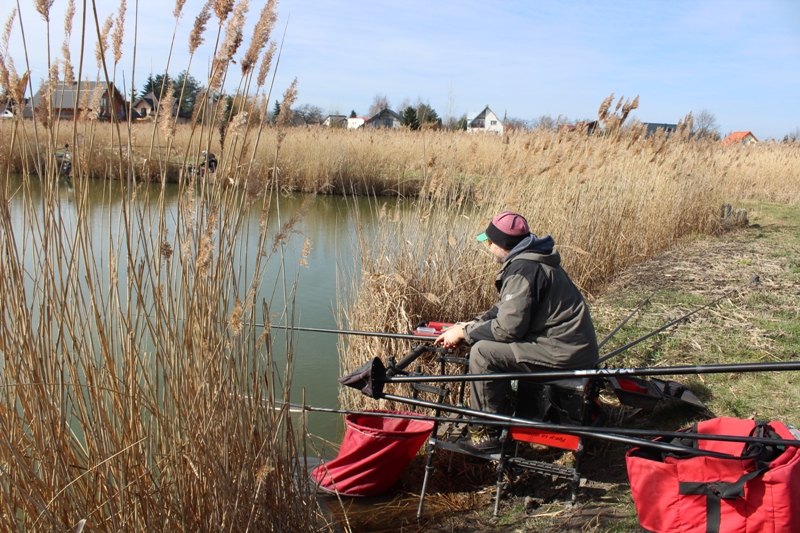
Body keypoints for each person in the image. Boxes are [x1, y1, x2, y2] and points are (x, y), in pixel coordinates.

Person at [434, 211, 599, 453]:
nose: (488, 247)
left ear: (502, 245)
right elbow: (504, 309)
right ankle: (503, 416)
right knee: (482, 342)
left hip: (564, 352)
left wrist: (466, 334)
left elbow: (507, 329)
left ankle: (486, 434)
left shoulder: (523, 269)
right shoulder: (532, 258)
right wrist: (468, 325)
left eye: (489, 242)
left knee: (483, 353)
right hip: (566, 345)